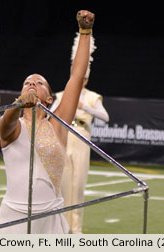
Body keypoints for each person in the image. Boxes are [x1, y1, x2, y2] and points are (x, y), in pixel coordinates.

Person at [0, 10, 95, 234]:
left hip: (51, 215)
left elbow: (77, 77)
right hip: (14, 217)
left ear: (49, 98)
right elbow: (5, 125)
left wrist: (85, 32)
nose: (31, 83)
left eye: (39, 82)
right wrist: (19, 105)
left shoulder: (57, 125)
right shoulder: (15, 126)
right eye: (27, 82)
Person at [51, 33, 109, 234]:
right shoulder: (61, 94)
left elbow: (105, 116)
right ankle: (63, 225)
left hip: (82, 136)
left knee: (78, 184)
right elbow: (52, 113)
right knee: (63, 183)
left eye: (84, 77)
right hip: (64, 136)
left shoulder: (93, 96)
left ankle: (76, 227)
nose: (81, 80)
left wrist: (85, 106)